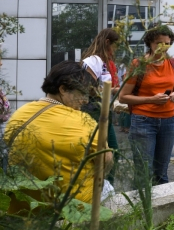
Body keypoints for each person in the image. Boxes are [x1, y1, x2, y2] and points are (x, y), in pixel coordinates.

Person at [5, 61, 113, 209]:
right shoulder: (83, 121)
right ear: (63, 89)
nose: (85, 100)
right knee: (109, 190)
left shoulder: (20, 113)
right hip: (71, 210)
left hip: (24, 208)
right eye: (82, 93)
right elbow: (105, 160)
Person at [119, 25, 174, 185]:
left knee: (162, 171)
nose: (163, 47)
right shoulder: (138, 64)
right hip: (143, 121)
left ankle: (162, 208)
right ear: (150, 43)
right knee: (143, 172)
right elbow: (123, 97)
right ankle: (142, 208)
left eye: (167, 43)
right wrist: (151, 99)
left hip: (169, 121)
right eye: (158, 43)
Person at [81, 28, 121, 183]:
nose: (116, 51)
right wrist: (114, 90)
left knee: (112, 151)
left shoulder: (105, 63)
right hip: (93, 112)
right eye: (116, 46)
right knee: (106, 152)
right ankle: (101, 186)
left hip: (104, 111)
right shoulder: (91, 62)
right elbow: (89, 90)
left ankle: (105, 186)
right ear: (107, 43)